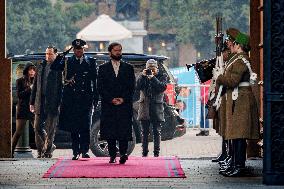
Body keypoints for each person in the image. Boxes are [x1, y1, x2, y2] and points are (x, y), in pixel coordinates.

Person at [216, 31, 259, 177]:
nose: (230, 45)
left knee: (239, 134)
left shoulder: (241, 60)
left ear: (238, 45)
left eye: (232, 42)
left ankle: (239, 165)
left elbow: (233, 81)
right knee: (235, 134)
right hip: (237, 99)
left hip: (241, 100)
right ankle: (235, 163)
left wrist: (219, 77)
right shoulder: (237, 59)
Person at [51, 39, 98, 160]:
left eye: (80, 49)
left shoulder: (91, 62)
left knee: (85, 126)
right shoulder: (67, 61)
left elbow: (95, 80)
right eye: (76, 49)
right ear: (73, 50)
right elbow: (54, 67)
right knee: (74, 127)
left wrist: (95, 98)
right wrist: (61, 56)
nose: (78, 51)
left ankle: (84, 150)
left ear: (84, 49)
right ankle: (75, 151)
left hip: (86, 99)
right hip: (71, 99)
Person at [97, 42, 135, 164]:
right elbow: (100, 87)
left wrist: (123, 99)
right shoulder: (103, 69)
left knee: (123, 131)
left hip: (124, 105)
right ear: (110, 52)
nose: (118, 52)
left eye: (120, 50)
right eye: (116, 50)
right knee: (110, 131)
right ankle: (112, 155)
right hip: (109, 105)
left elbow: (132, 87)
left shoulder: (128, 68)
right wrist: (110, 99)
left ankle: (123, 154)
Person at [30, 46, 62, 158]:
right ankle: (49, 145)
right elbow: (35, 86)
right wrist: (32, 102)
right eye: (47, 54)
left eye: (50, 54)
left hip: (53, 102)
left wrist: (59, 103)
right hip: (40, 100)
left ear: (56, 54)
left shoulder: (59, 67)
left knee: (50, 128)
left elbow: (61, 87)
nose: (48, 56)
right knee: (37, 126)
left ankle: (47, 151)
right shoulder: (41, 66)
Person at [136, 59, 167, 157]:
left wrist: (153, 78)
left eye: (153, 68)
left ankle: (156, 154)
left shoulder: (162, 76)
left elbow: (162, 87)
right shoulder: (143, 76)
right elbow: (137, 87)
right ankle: (144, 153)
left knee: (156, 131)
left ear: (157, 68)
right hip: (144, 106)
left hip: (156, 107)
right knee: (144, 132)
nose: (151, 71)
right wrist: (142, 76)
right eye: (149, 69)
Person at [12, 63, 36, 157]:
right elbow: (19, 95)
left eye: (33, 70)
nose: (32, 72)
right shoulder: (20, 81)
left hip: (32, 109)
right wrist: (29, 89)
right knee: (18, 132)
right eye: (30, 70)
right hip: (22, 108)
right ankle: (10, 151)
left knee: (38, 129)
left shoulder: (36, 81)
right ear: (26, 71)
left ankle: (47, 149)